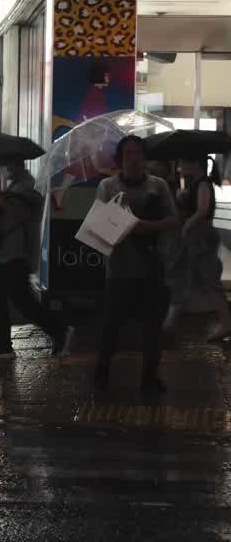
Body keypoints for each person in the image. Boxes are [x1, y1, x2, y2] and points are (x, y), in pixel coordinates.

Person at [95, 135, 181, 395]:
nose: (134, 158)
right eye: (128, 153)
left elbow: (175, 218)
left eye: (138, 153)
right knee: (111, 326)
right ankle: (101, 377)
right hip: (118, 268)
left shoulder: (158, 186)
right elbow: (98, 225)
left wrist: (149, 227)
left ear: (145, 157)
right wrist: (121, 228)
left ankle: (149, 378)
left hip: (151, 266)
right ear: (120, 159)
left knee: (152, 328)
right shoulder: (107, 186)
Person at [0, 167, 69, 362]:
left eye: (4, 162)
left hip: (16, 253)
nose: (2, 167)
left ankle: (5, 346)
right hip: (9, 254)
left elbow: (16, 216)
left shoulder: (25, 186)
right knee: (21, 301)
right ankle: (58, 330)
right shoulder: (17, 185)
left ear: (13, 161)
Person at [169, 156, 229, 340]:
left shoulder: (203, 183)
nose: (180, 166)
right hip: (197, 235)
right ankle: (168, 323)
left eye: (183, 162)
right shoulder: (197, 183)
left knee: (205, 278)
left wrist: (188, 224)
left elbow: (202, 210)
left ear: (195, 164)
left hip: (200, 236)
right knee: (182, 274)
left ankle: (227, 322)